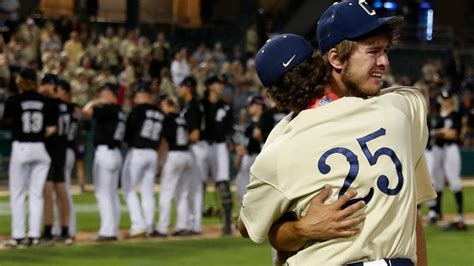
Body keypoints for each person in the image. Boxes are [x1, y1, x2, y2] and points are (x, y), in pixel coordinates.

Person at [239, 3, 435, 265]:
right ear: (334, 59)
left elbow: (250, 226)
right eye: (373, 51)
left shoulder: (281, 145)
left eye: (385, 51)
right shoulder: (402, 107)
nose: (384, 62)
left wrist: (300, 229)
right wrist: (301, 229)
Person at [2, 68, 56, 248]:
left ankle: (18, 236)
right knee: (36, 195)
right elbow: (51, 128)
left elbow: (6, 122)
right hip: (40, 148)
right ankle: (34, 236)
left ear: (22, 80)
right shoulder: (46, 101)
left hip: (22, 147)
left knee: (17, 194)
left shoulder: (14, 100)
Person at [83, 82, 126, 241]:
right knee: (112, 194)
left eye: (103, 92)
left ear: (109, 93)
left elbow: (86, 112)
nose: (101, 95)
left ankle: (107, 231)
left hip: (105, 153)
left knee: (103, 194)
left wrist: (95, 102)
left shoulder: (108, 108)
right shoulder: (120, 111)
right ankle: (112, 229)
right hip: (115, 153)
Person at [122, 83, 165, 237]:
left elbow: (127, 132)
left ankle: (138, 224)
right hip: (152, 153)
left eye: (136, 95)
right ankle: (148, 225)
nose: (135, 99)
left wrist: (127, 140)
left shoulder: (138, 109)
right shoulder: (160, 112)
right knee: (148, 192)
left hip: (138, 152)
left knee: (128, 189)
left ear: (142, 94)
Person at [38, 73, 74, 245]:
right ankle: (65, 230)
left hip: (50, 151)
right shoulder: (67, 106)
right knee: (61, 192)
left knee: (48, 193)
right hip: (62, 149)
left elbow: (48, 129)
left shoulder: (50, 104)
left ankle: (47, 231)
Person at [151, 97, 193, 237]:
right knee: (182, 194)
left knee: (166, 193)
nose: (161, 107)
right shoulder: (182, 119)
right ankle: (183, 226)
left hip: (174, 155)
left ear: (168, 104)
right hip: (187, 155)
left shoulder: (168, 118)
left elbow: (164, 141)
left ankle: (162, 228)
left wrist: (159, 160)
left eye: (162, 103)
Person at [201, 76, 234, 235]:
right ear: (210, 86)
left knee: (223, 183)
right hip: (203, 145)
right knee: (197, 184)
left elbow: (229, 129)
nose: (221, 86)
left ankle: (227, 223)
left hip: (219, 145)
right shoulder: (202, 104)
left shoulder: (225, 106)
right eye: (218, 84)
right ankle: (192, 222)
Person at [428, 90, 466, 230]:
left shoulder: (455, 115)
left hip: (451, 148)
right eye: (443, 98)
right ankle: (436, 213)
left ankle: (460, 214)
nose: (445, 101)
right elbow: (433, 133)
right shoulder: (436, 116)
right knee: (436, 181)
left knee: (454, 180)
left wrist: (439, 132)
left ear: (451, 100)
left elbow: (453, 134)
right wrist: (443, 131)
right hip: (437, 149)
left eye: (447, 98)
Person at [178, 76, 205, 235]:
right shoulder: (188, 105)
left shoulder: (193, 106)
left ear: (188, 87)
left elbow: (194, 135)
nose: (179, 89)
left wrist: (179, 139)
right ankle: (190, 223)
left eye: (181, 86)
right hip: (193, 149)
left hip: (196, 148)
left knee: (194, 189)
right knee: (190, 188)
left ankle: (195, 225)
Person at [235, 96, 265, 204]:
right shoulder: (249, 125)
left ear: (258, 106)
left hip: (259, 158)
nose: (249, 107)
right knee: (242, 191)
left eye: (252, 105)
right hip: (249, 158)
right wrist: (239, 158)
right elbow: (243, 147)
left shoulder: (265, 120)